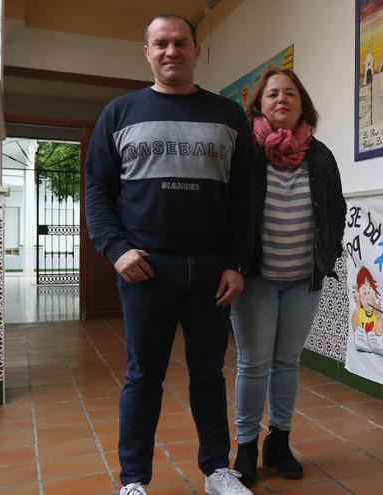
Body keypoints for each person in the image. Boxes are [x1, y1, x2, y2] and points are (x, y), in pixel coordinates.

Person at [85, 13, 253, 495]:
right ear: (147, 53)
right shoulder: (119, 112)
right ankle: (133, 480)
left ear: (196, 51)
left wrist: (236, 263)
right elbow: (96, 190)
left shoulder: (228, 115)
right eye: (161, 44)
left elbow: (245, 197)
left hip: (211, 271)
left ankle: (217, 470)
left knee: (208, 373)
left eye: (180, 42)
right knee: (143, 378)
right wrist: (115, 250)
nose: (171, 51)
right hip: (145, 270)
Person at [230, 67, 347, 487]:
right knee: (254, 363)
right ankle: (245, 444)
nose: (282, 99)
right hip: (256, 279)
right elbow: (228, 211)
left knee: (287, 362)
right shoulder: (244, 153)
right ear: (259, 105)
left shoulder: (320, 155)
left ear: (303, 103)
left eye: (290, 93)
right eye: (272, 94)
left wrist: (327, 255)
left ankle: (279, 442)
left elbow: (337, 207)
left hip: (303, 279)